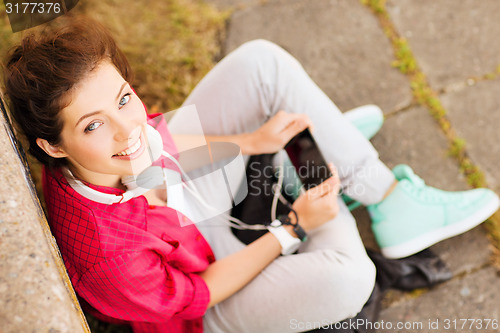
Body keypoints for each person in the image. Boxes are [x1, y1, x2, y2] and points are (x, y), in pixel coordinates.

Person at [3, 18, 499, 333]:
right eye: (93, 125)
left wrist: (253, 142)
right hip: (205, 304)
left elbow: (160, 145)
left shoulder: (109, 147)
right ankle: (317, 167)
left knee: (261, 62)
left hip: (187, 210)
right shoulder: (108, 255)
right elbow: (198, 295)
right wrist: (294, 228)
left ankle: (382, 197)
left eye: (124, 99)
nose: (126, 128)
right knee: (351, 279)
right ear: (52, 146)